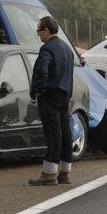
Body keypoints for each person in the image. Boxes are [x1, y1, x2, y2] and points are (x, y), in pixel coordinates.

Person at [29, 16, 75, 186]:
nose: (39, 35)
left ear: (46, 31)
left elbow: (42, 69)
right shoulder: (67, 49)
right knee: (65, 132)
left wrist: (39, 89)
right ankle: (65, 172)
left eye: (39, 32)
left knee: (52, 133)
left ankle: (48, 173)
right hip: (65, 94)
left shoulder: (47, 48)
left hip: (50, 95)